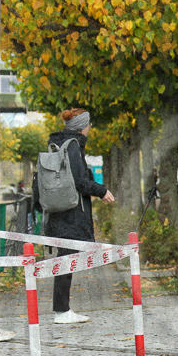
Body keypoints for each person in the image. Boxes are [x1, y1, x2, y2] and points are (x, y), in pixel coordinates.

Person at [33, 108, 115, 324]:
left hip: (58, 211)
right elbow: (80, 182)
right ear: (83, 126)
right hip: (70, 214)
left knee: (66, 259)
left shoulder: (59, 145)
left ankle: (63, 309)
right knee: (66, 260)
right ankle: (62, 311)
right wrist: (102, 191)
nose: (90, 128)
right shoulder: (73, 148)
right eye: (89, 124)